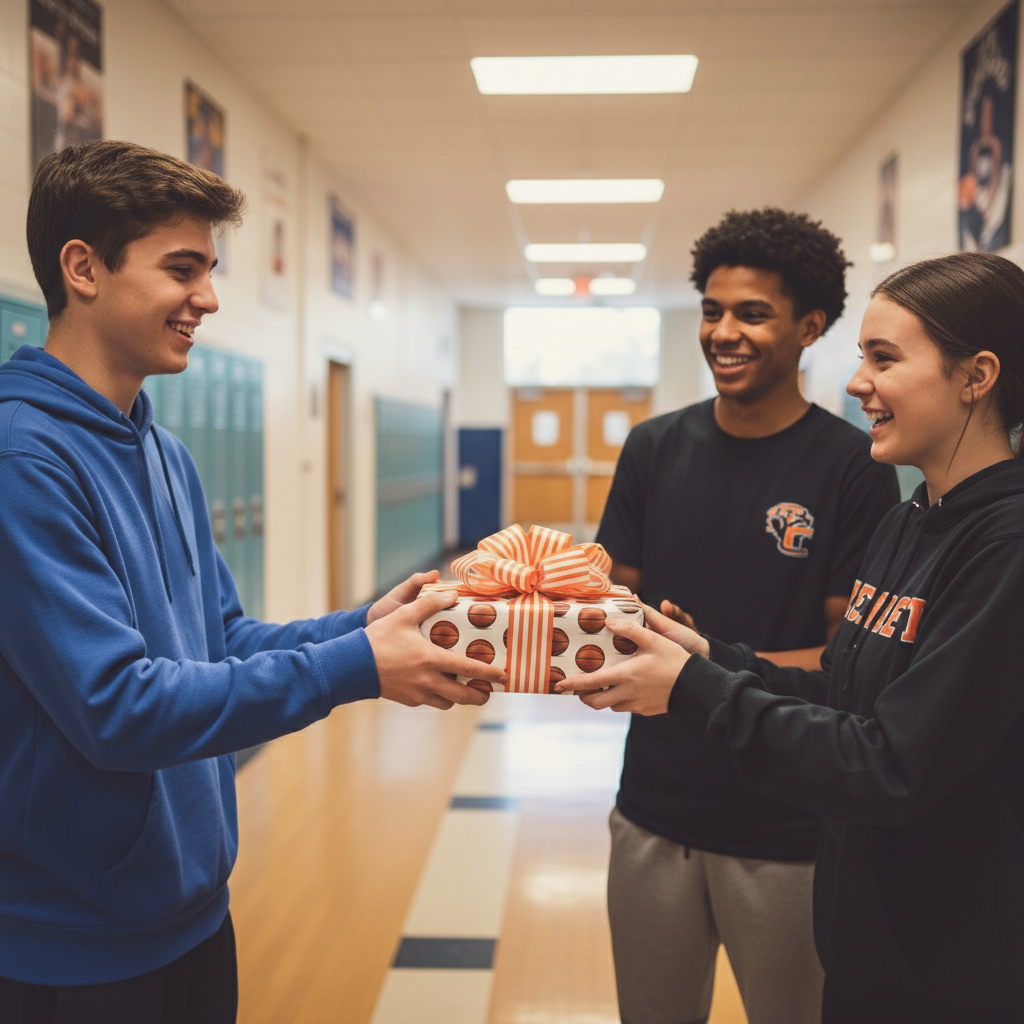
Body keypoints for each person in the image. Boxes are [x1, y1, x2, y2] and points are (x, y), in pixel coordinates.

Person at [0, 140, 504, 1023]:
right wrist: (356, 668)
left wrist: (364, 627)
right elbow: (115, 707)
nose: (209, 297)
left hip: (190, 908)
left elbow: (221, 641)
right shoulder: (24, 461)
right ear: (81, 267)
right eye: (181, 268)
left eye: (211, 268)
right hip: (73, 941)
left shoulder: (163, 452)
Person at [568, 250, 1024, 1023]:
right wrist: (704, 655)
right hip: (867, 948)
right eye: (862, 358)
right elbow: (840, 692)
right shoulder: (914, 521)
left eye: (885, 358)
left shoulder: (1003, 548)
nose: (857, 382)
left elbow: (889, 763)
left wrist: (690, 686)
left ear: (976, 376)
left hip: (946, 967)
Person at [595, 208, 900, 1024]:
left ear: (809, 327)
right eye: (712, 310)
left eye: (752, 314)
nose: (724, 332)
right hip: (653, 807)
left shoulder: (854, 469)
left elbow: (848, 664)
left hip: (788, 822)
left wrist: (699, 666)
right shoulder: (653, 448)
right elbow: (605, 605)